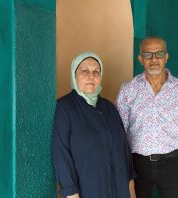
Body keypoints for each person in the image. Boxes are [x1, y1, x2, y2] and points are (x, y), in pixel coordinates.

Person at [116, 37, 178, 198]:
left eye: (159, 54)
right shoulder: (128, 90)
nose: (154, 59)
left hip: (172, 164)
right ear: (140, 59)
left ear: (166, 57)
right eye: (147, 54)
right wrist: (122, 170)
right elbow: (119, 133)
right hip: (137, 164)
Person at [52, 51, 136, 198]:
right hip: (89, 189)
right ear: (74, 75)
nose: (91, 76)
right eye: (84, 71)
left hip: (119, 189)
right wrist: (71, 193)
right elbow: (61, 153)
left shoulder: (109, 108)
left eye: (96, 71)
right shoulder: (65, 108)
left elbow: (124, 149)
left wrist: (131, 188)